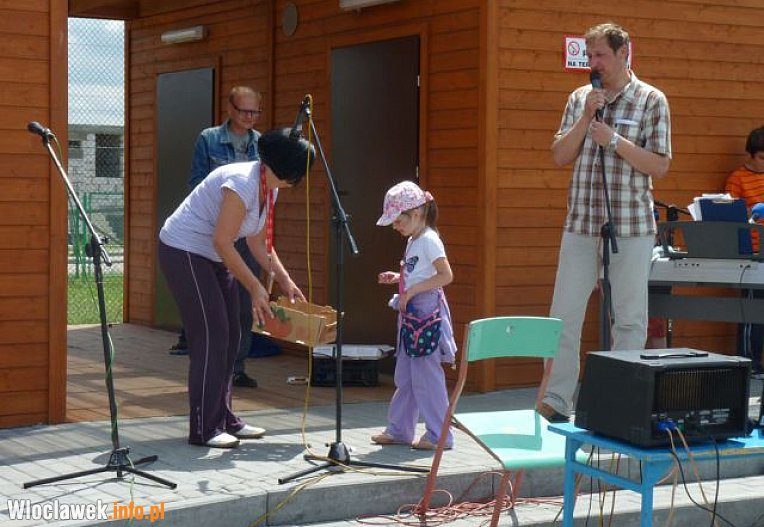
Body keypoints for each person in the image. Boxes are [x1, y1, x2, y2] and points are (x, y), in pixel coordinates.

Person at [539, 22, 672, 423]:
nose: (593, 63)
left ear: (623, 53)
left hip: (630, 227)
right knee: (563, 316)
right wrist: (585, 118)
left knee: (629, 320)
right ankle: (556, 398)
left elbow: (659, 165)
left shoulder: (651, 100)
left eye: (600, 55)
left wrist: (614, 140)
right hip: (581, 224)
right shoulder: (580, 98)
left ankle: (618, 403)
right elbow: (559, 156)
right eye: (590, 55)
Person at [158, 128, 315, 448]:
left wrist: (284, 279)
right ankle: (204, 428)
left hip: (214, 255)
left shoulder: (269, 187)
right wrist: (255, 286)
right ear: (286, 169)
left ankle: (224, 418)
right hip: (185, 250)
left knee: (232, 336)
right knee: (212, 336)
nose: (300, 179)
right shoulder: (242, 184)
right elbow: (223, 240)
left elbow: (258, 241)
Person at [175, 86, 278, 389]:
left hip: (245, 234)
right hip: (215, 232)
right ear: (230, 109)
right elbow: (197, 182)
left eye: (255, 112)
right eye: (244, 111)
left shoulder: (262, 143)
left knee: (245, 301)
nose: (250, 117)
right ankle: (211, 366)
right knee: (214, 302)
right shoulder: (208, 139)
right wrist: (229, 204)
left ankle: (237, 367)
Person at [370, 181, 457, 450]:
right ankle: (399, 429)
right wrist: (399, 279)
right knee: (406, 375)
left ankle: (439, 435)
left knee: (427, 377)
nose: (395, 226)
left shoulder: (429, 240)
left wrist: (413, 290)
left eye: (399, 220)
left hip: (425, 313)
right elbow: (421, 273)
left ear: (417, 214)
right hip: (412, 312)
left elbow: (445, 275)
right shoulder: (414, 240)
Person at [724, 126, 764, 378]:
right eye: (762, 157)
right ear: (750, 155)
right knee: (752, 311)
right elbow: (728, 215)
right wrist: (753, 211)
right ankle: (749, 362)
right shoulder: (738, 178)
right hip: (752, 253)